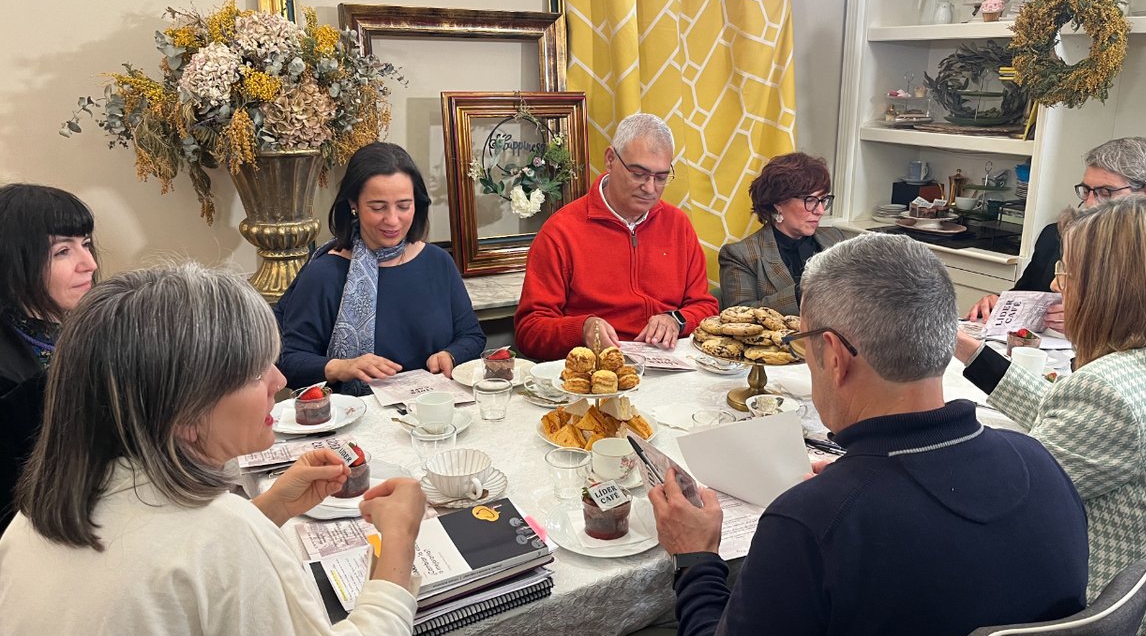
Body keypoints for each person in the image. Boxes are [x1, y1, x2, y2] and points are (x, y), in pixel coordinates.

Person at [612, 232, 1088, 636]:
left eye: (804, 346)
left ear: (833, 356)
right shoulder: (1041, 463)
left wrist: (696, 560)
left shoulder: (809, 525)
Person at [0, 262, 427, 636]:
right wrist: (397, 546)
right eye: (253, 372)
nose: (279, 379)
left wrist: (266, 509)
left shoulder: (37, 516)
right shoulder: (217, 533)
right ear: (184, 411)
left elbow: (177, 579)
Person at [955, 195, 1146, 636]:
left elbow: (997, 507)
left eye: (1065, 272)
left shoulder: (1109, 391)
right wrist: (968, 350)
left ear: (1111, 288)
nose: (1055, 283)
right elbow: (1077, 423)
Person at [277, 142, 485, 393]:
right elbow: (288, 360)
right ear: (353, 204)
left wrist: (450, 355)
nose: (393, 220)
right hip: (357, 421)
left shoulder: (437, 262)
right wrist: (340, 367)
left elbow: (472, 336)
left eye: (404, 206)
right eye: (378, 207)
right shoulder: (325, 274)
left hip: (435, 411)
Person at [514, 113, 718, 360]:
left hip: (671, 365)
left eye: (661, 177)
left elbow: (706, 308)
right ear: (610, 160)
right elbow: (529, 331)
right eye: (638, 174)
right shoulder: (560, 231)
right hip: (598, 370)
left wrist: (675, 320)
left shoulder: (678, 224)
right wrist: (582, 328)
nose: (650, 188)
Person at [967, 136, 1146, 327]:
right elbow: (1026, 294)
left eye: (1105, 192)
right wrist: (999, 304)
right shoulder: (1056, 236)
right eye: (1086, 190)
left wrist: (1091, 326)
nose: (1090, 203)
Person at [0, 184, 99, 527]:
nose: (89, 263)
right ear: (15, 260)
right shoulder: (9, 380)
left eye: (85, 245)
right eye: (62, 252)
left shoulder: (84, 328)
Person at [718, 152, 850, 315]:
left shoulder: (835, 238)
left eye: (823, 200)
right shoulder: (740, 255)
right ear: (779, 203)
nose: (820, 210)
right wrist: (802, 292)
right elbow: (738, 317)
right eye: (810, 200)